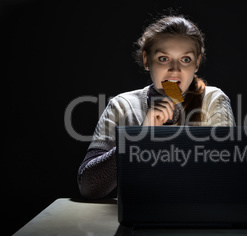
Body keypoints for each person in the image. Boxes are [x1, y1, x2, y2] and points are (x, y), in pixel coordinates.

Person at [78, 15, 235, 199]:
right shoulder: (122, 105)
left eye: (185, 59)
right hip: (137, 219)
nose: (175, 69)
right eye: (163, 58)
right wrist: (138, 137)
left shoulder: (213, 100)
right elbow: (89, 188)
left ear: (197, 63)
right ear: (146, 60)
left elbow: (227, 180)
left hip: (199, 219)